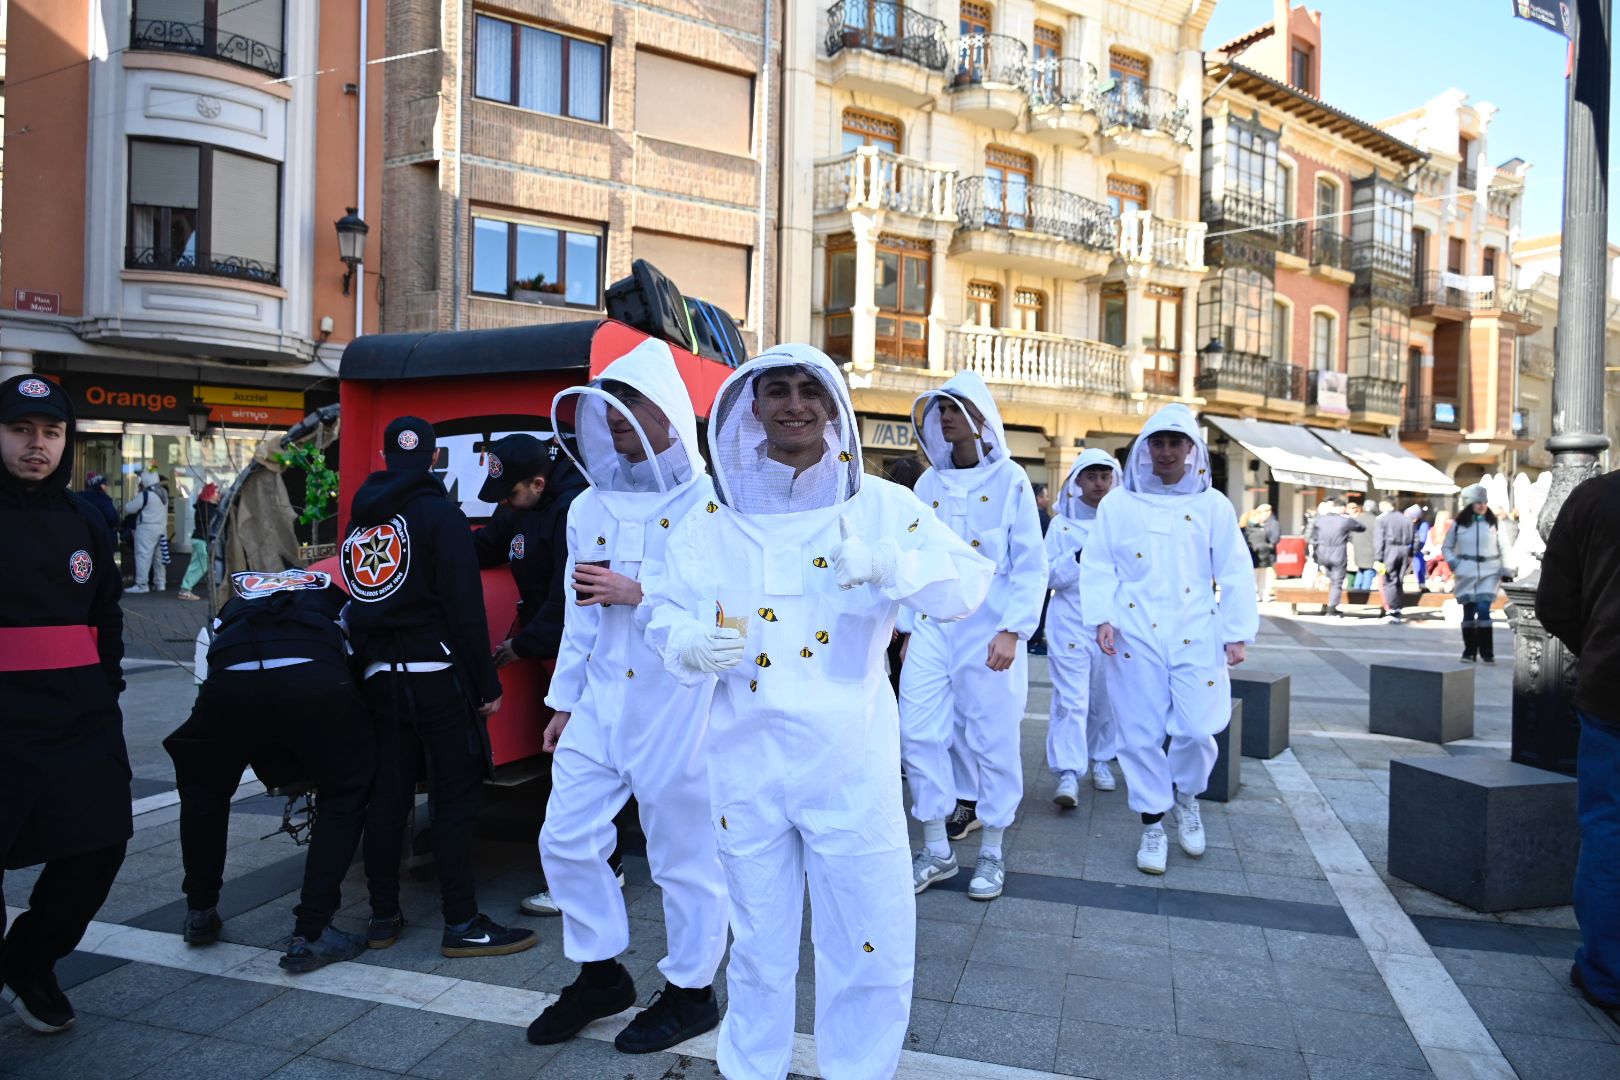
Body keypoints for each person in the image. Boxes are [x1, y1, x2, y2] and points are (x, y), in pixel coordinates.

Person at [643, 344, 992, 1080]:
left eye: (810, 390)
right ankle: (750, 1069)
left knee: (868, 937)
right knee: (760, 940)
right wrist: (687, 642)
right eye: (777, 391)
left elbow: (967, 586)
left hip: (851, 762)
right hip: (746, 759)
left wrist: (897, 566)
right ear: (751, 404)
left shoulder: (882, 505)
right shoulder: (711, 512)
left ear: (834, 406)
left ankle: (858, 1070)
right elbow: (662, 607)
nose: (794, 405)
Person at [525, 339, 729, 1055]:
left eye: (633, 404)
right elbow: (579, 613)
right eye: (608, 406)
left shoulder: (715, 504)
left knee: (683, 854)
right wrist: (563, 702)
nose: (617, 418)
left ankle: (693, 991)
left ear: (671, 412)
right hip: (604, 700)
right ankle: (600, 971)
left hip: (680, 702)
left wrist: (641, 595)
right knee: (566, 835)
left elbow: (727, 619)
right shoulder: (588, 506)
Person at [343, 416, 535, 959]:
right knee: (455, 799)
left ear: (385, 458)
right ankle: (462, 922)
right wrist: (484, 681)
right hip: (437, 677)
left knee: (389, 800)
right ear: (433, 460)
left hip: (380, 678)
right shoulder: (439, 514)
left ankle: (383, 916)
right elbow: (464, 609)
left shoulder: (362, 521)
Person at [163, 568, 375, 971]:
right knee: (345, 790)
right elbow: (356, 664)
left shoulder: (238, 601)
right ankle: (312, 931)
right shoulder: (335, 594)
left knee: (205, 789)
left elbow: (208, 661)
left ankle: (200, 909)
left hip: (231, 678)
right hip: (313, 673)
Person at [0, 374, 129, 1034]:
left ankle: (28, 959)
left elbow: (105, 611)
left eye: (51, 433)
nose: (36, 445)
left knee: (100, 844)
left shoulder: (85, 518)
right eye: (21, 430)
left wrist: (107, 687)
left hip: (79, 722)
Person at [1080, 404, 1257, 875]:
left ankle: (1188, 797)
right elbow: (1098, 563)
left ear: (1191, 450)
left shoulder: (1213, 505)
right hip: (1134, 629)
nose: (1165, 451)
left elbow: (1235, 570)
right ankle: (1152, 824)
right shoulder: (1118, 504)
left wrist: (1237, 633)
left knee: (1198, 729)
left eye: (1174, 443)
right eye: (1157, 443)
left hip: (1197, 627)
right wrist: (1101, 617)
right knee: (1138, 735)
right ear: (1144, 448)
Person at [900, 372, 1046, 902]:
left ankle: (993, 852)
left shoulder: (1011, 480)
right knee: (916, 734)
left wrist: (1013, 630)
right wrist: (905, 626)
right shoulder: (927, 486)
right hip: (933, 627)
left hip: (991, 628)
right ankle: (936, 849)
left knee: (994, 739)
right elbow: (913, 559)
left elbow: (1031, 563)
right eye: (940, 408)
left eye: (958, 408)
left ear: (982, 416)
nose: (946, 416)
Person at [467, 433, 614, 917]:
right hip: (551, 653)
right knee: (567, 761)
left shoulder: (575, 508)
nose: (505, 505)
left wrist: (521, 645)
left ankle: (594, 871)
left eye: (510, 495)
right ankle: (584, 867)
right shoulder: (523, 502)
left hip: (581, 654)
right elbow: (489, 546)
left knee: (582, 764)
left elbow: (568, 596)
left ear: (536, 481)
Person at [1536, 466, 1620, 1023]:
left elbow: (1555, 604)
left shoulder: (1597, 496)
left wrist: (1595, 646)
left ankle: (1608, 973)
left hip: (1613, 692)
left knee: (1610, 833)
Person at [1043, 448, 1123, 807]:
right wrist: (1076, 558)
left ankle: (1102, 758)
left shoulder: (1122, 523)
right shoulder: (1061, 525)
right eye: (1091, 476)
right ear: (1077, 480)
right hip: (1070, 622)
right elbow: (1045, 575)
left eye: (1104, 476)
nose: (1099, 483)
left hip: (1112, 623)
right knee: (1071, 699)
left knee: (1106, 698)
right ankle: (1068, 773)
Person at [1443, 485, 1510, 664]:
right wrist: (1454, 562)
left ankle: (1487, 652)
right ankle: (1469, 651)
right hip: (1466, 572)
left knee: (1483, 610)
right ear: (1469, 504)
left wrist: (1507, 568)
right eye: (1478, 502)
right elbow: (1447, 546)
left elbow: (1505, 547)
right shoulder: (1458, 524)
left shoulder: (1494, 523)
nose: (1482, 505)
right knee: (1468, 611)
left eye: (1484, 502)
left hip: (1489, 571)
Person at [1312, 501, 1363, 616]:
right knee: (1337, 582)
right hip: (1338, 554)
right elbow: (1360, 527)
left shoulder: (1320, 520)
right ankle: (1332, 608)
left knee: (1326, 580)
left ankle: (1324, 605)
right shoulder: (1344, 520)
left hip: (1323, 553)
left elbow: (1313, 537)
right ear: (1342, 508)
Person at [123, 470, 169, 593]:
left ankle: (141, 584)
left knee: (143, 556)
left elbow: (129, 508)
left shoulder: (145, 494)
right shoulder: (163, 492)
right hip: (162, 529)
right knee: (159, 559)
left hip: (146, 530)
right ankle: (161, 583)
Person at [1373, 499, 1414, 624]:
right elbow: (1414, 538)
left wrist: (1378, 557)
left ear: (1386, 505)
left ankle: (1391, 608)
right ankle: (1397, 607)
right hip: (1404, 550)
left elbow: (1379, 540)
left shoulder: (1382, 520)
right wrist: (1411, 553)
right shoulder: (1406, 519)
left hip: (1389, 551)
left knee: (1388, 580)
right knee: (1399, 580)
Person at [177, 483, 220, 601]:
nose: (218, 495)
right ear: (210, 494)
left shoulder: (202, 506)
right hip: (202, 539)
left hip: (199, 538)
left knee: (197, 564)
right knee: (201, 565)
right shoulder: (208, 508)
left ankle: (185, 589)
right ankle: (185, 589)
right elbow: (210, 526)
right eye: (215, 492)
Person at [1028, 482, 1053, 655]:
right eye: (1045, 496)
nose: (1048, 499)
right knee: (1040, 604)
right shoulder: (1043, 518)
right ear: (1038, 499)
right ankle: (1034, 639)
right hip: (1040, 567)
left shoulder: (1030, 516)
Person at [1244, 503, 1280, 602]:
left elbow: (1274, 539)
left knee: (1264, 576)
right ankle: (1256, 594)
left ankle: (1263, 593)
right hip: (1255, 556)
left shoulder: (1272, 524)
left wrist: (1268, 547)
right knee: (1255, 576)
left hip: (1265, 555)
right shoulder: (1249, 528)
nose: (1261, 516)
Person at [1347, 501, 1378, 591]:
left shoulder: (1357, 519)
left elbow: (1350, 536)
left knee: (1360, 570)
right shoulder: (1376, 520)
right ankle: (1364, 593)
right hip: (1371, 550)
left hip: (1358, 549)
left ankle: (1356, 590)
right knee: (1369, 571)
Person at [1408, 505, 1431, 587]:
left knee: (1418, 559)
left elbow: (1421, 541)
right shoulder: (1407, 522)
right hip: (1406, 548)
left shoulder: (1423, 525)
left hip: (1418, 549)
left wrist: (1410, 549)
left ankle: (1421, 583)